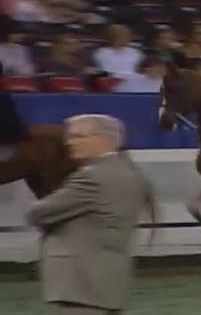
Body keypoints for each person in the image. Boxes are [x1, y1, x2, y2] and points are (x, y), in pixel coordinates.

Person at [26, 114, 151, 315]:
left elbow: (38, 213)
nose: (69, 142)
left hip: (79, 284)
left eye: (78, 136)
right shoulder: (130, 174)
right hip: (108, 283)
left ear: (101, 139)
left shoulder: (91, 177)